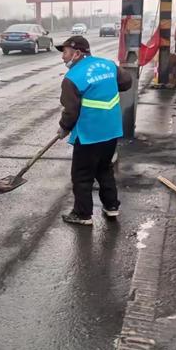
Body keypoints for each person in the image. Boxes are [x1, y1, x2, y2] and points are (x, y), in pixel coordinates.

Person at [56, 35, 132, 226]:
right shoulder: (108, 65)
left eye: (65, 52)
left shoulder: (72, 77)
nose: (63, 57)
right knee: (104, 169)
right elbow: (126, 83)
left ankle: (82, 214)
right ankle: (112, 207)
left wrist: (64, 128)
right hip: (111, 130)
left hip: (89, 134)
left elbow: (71, 111)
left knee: (82, 175)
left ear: (77, 53)